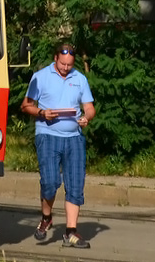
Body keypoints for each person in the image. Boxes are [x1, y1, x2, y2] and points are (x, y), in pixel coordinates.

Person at [20, 41, 97, 248]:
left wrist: (86, 118)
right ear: (55, 58)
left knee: (75, 184)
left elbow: (89, 108)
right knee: (50, 182)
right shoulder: (40, 77)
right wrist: (42, 113)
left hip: (74, 138)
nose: (65, 68)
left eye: (69, 65)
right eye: (62, 64)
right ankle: (46, 217)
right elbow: (26, 106)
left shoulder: (79, 79)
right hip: (48, 134)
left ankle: (71, 232)